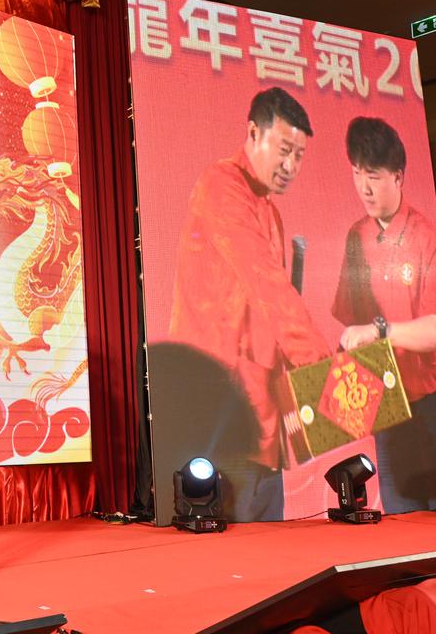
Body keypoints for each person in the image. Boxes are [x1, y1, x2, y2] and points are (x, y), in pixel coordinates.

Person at [169, 87, 331, 521]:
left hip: (262, 418)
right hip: (221, 411)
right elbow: (269, 287)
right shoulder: (222, 185)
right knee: (229, 540)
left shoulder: (270, 212)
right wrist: (323, 372)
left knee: (269, 542)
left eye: (299, 155)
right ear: (254, 132)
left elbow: (272, 312)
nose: (291, 166)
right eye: (284, 150)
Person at [332, 117, 436, 514]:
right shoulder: (356, 236)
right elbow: (350, 323)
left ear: (398, 176)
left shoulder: (426, 238)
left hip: (429, 403)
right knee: (399, 518)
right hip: (387, 405)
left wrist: (378, 331)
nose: (364, 187)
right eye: (357, 174)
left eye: (373, 176)